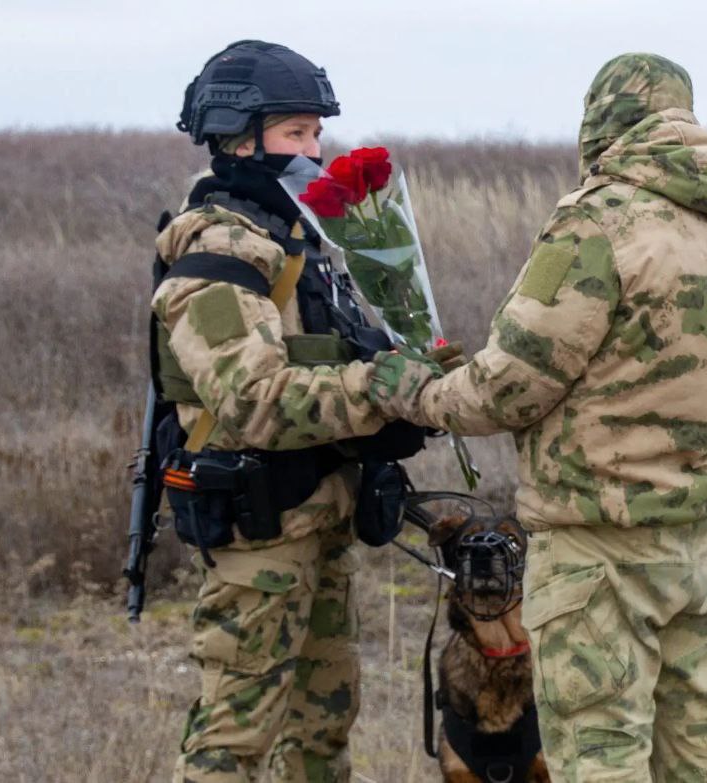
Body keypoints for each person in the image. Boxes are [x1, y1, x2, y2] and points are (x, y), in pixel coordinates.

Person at [370, 53, 707, 782]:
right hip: (695, 545)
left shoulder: (596, 226)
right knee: (701, 751)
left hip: (598, 546)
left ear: (601, 125)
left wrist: (418, 388)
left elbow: (509, 386)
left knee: (600, 755)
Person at [152, 40, 443, 783]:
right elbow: (253, 400)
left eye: (317, 133)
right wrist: (382, 391)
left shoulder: (300, 243)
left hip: (322, 523)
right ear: (237, 141)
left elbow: (335, 362)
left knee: (321, 734)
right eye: (294, 134)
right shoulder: (217, 253)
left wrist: (417, 383)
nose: (313, 151)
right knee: (232, 744)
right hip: (262, 536)